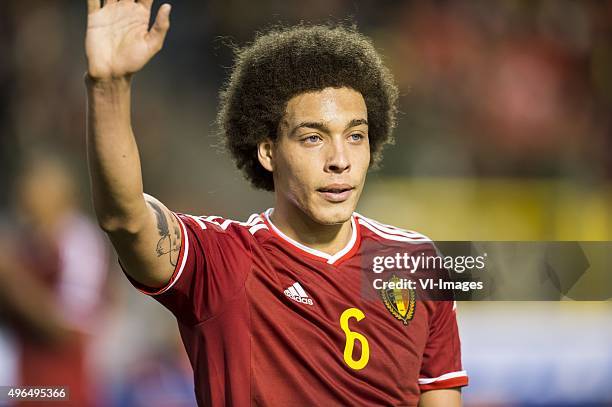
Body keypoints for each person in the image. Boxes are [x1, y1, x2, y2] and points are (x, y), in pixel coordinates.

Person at [84, 1, 468, 405]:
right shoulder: (225, 262)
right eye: (312, 138)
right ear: (268, 152)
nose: (340, 160)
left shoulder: (415, 262)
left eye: (355, 136)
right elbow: (124, 219)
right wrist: (109, 88)